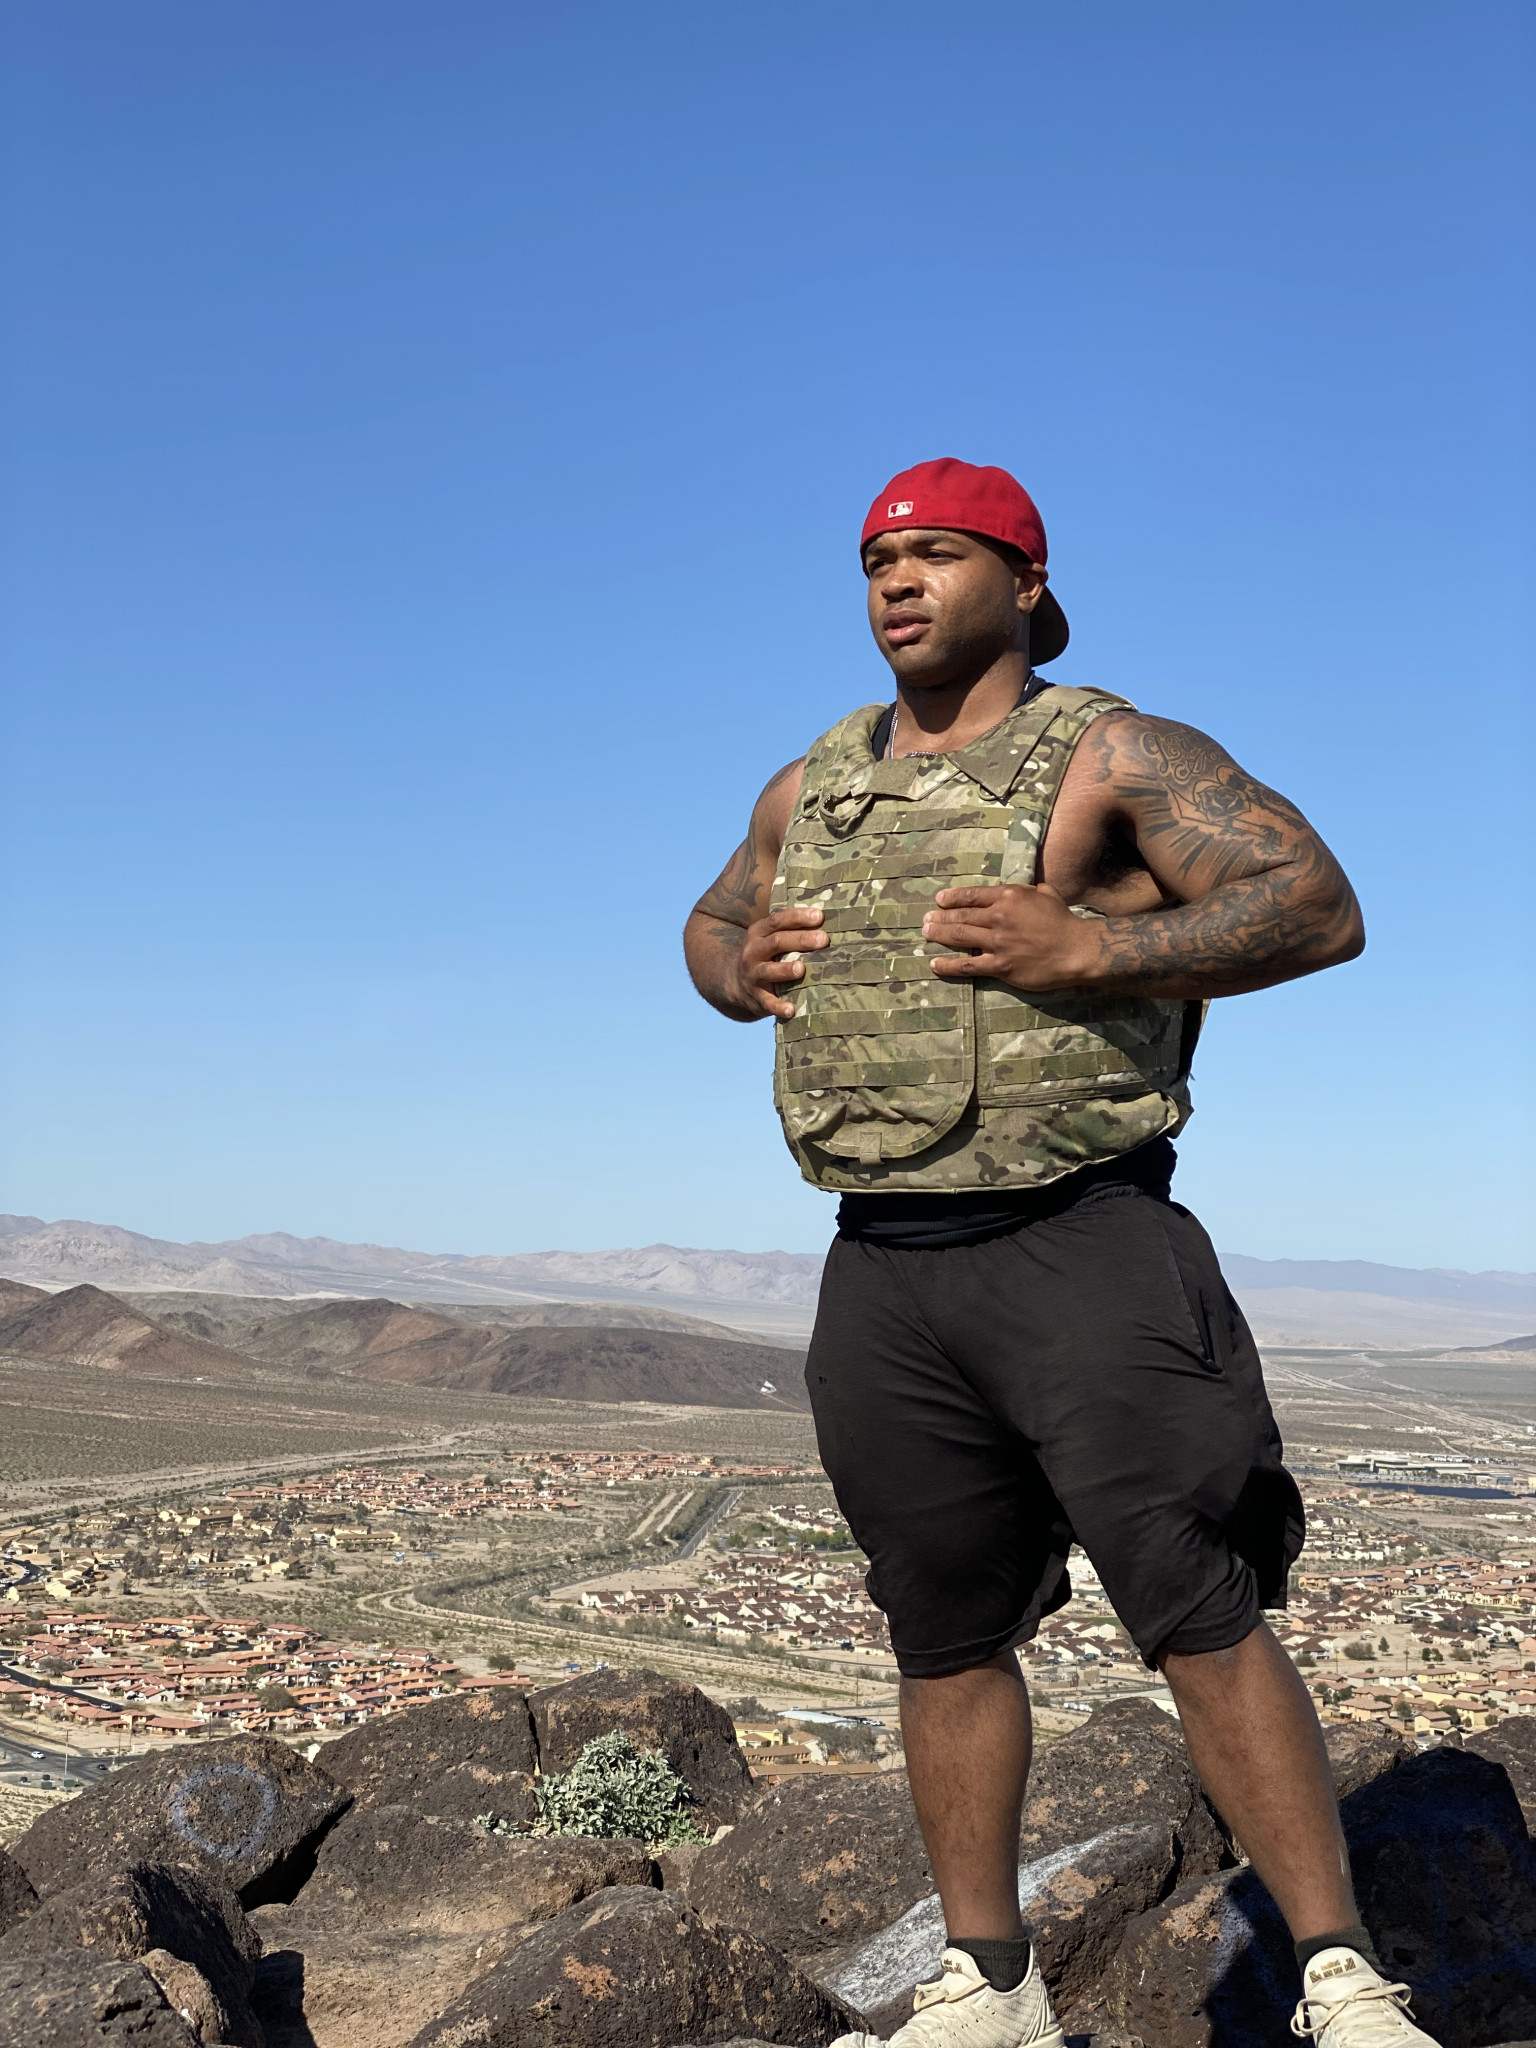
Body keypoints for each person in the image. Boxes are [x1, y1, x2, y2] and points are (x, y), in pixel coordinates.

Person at [683, 459, 1436, 2048]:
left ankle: (1338, 1977)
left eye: (939, 555)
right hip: (884, 1263)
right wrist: (740, 970)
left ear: (1024, 582)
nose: (898, 583)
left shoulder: (1113, 752)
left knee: (1197, 1607)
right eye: (877, 561)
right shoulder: (812, 786)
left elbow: (1317, 903)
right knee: (941, 1629)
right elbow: (709, 921)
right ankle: (991, 1986)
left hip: (1084, 1239)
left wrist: (1098, 948)